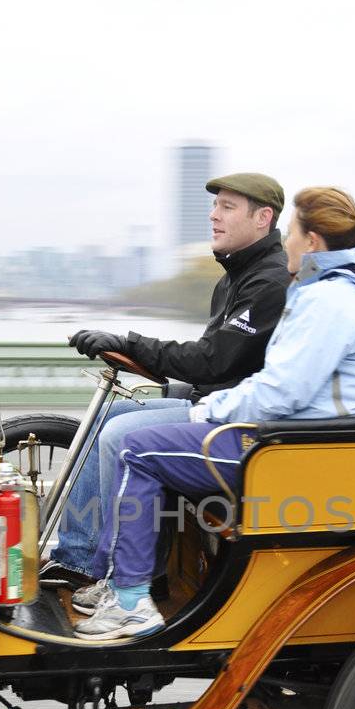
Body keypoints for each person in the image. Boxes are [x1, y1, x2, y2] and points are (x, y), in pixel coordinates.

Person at [74, 187, 355, 640]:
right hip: (296, 438)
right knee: (136, 440)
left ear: (312, 242)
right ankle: (122, 584)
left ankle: (132, 602)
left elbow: (280, 392)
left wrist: (207, 412)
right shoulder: (340, 293)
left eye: (291, 232)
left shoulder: (331, 301)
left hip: (291, 447)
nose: (285, 241)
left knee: (137, 448)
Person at [46, 173, 291, 595]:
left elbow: (212, 361)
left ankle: (130, 578)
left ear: (263, 217)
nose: (213, 216)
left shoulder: (269, 283)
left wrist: (129, 343)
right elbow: (211, 356)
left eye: (227, 207)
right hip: (214, 405)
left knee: (121, 434)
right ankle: (79, 559)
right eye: (215, 207)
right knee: (105, 419)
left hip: (240, 423)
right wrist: (134, 350)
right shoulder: (237, 275)